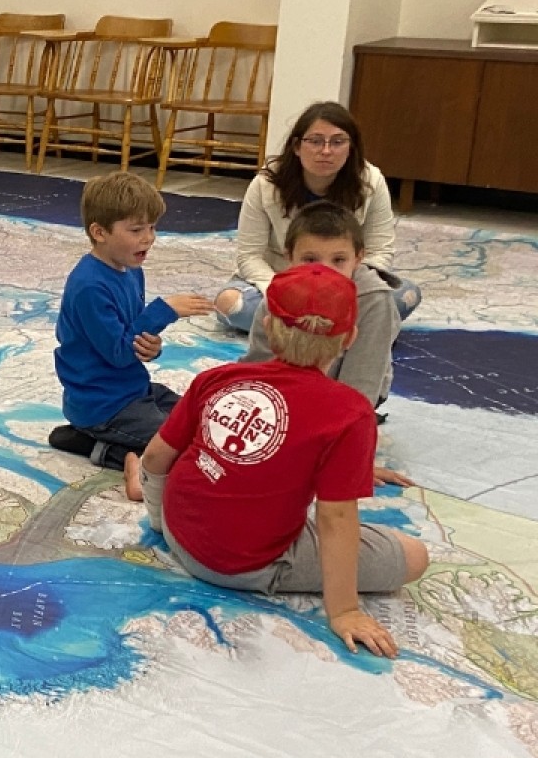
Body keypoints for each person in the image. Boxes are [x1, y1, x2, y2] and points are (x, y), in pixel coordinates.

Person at [123, 264, 430, 657]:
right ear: (350, 338)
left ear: (266, 325)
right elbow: (335, 518)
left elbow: (155, 457)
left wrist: (160, 522)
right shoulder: (350, 413)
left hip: (178, 532)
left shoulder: (216, 378)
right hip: (244, 564)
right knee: (414, 556)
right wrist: (345, 610)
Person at [48, 173, 212, 468]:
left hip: (132, 389)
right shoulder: (90, 286)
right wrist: (165, 310)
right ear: (99, 232)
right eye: (136, 229)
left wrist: (152, 346)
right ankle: (98, 446)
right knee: (184, 449)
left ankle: (94, 435)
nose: (148, 237)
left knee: (201, 418)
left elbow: (132, 337)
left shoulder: (131, 269)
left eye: (152, 227)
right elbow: (120, 353)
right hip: (103, 405)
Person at [215, 101, 419, 333]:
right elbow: (250, 256)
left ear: (351, 147)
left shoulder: (370, 181)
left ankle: (300, 329)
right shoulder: (266, 184)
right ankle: (339, 329)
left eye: (338, 142)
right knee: (230, 304)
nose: (326, 151)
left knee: (407, 294)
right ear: (297, 146)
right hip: (281, 280)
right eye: (315, 141)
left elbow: (379, 251)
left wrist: (342, 289)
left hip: (346, 283)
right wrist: (284, 290)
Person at [241, 202, 399, 410]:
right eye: (310, 259)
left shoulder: (374, 300)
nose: (325, 271)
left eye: (339, 260)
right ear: (289, 257)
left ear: (358, 258)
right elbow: (258, 363)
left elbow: (363, 382)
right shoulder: (279, 292)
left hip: (343, 393)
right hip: (286, 389)